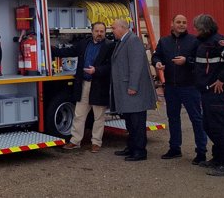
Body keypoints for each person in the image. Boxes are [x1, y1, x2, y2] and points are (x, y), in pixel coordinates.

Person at [52, 22, 115, 153]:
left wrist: (96, 70)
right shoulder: (83, 43)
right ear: (91, 31)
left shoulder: (110, 46)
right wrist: (52, 50)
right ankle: (75, 141)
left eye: (102, 31)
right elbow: (69, 51)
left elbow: (111, 67)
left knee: (99, 116)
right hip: (84, 84)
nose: (99, 34)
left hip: (99, 85)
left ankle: (96, 142)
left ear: (105, 32)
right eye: (97, 31)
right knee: (79, 114)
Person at [152, 15, 207, 164]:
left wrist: (187, 61)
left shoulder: (194, 41)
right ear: (172, 24)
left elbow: (200, 61)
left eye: (184, 22)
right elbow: (156, 56)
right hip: (171, 87)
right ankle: (175, 148)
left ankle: (201, 151)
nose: (181, 25)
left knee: (196, 118)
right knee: (173, 118)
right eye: (178, 22)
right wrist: (157, 63)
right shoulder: (164, 41)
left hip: (190, 86)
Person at [193, 14, 224, 177]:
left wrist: (221, 79)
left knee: (220, 127)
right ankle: (218, 158)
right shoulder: (203, 42)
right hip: (206, 91)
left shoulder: (219, 41)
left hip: (218, 92)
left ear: (205, 28)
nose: (196, 30)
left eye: (198, 28)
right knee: (209, 126)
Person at [110, 18, 157, 161]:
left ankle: (139, 151)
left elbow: (136, 66)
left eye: (113, 28)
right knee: (130, 122)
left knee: (137, 122)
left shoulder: (133, 41)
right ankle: (131, 147)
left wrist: (133, 86)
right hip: (127, 90)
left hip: (132, 91)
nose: (112, 31)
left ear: (122, 27)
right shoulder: (124, 41)